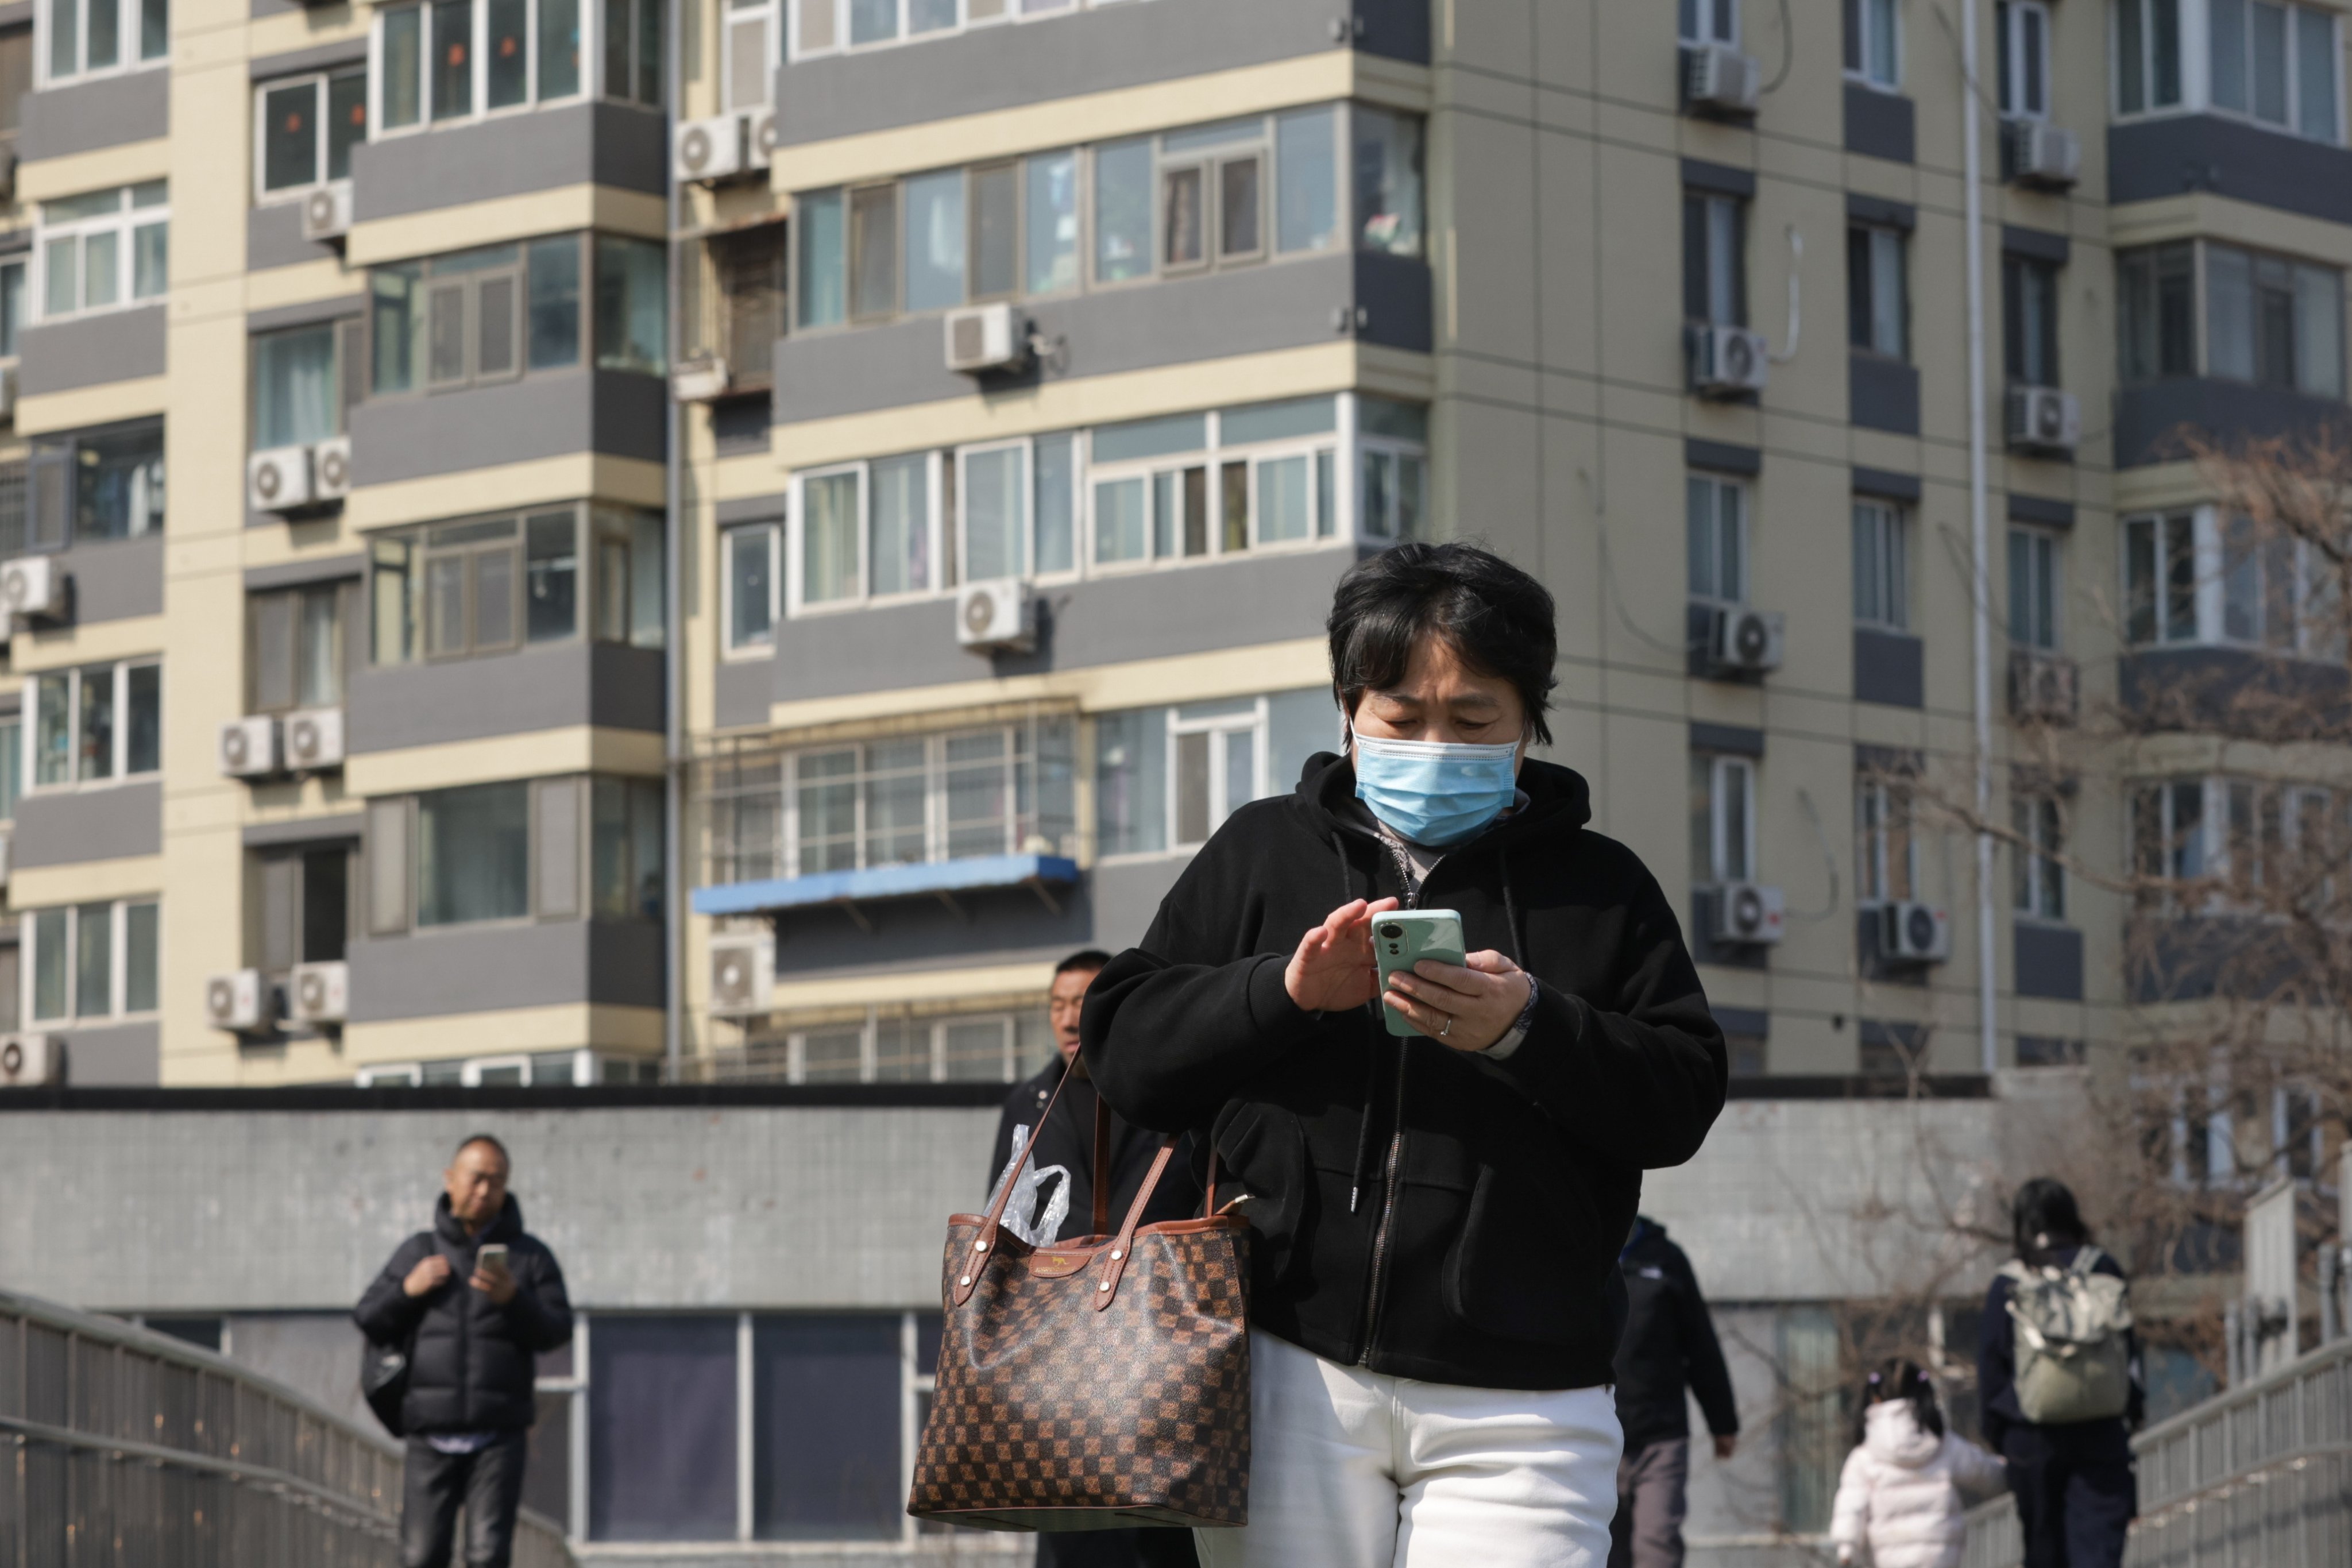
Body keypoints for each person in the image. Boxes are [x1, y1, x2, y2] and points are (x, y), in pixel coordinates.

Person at [1082, 542, 1728, 1568]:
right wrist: (1287, 993)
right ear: (1348, 708)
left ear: (1530, 721)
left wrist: (1529, 1027)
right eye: (1400, 716)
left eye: (1474, 720)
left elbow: (1682, 1098)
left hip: (1525, 1398)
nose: (1436, 743)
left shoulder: (1603, 889)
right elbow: (1126, 1052)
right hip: (1283, 1363)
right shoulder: (1262, 851)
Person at [988, 949, 1203, 1568]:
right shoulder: (1029, 1102)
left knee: (1159, 1509)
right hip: (1058, 1342)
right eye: (1054, 1005)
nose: (1064, 1019)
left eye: (1078, 1004)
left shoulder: (1172, 1097)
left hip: (1154, 1336)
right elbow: (1002, 1218)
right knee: (1069, 1509)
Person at [356, 1134, 574, 1568]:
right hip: (429, 1434)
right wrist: (407, 1290)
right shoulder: (419, 1252)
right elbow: (369, 1318)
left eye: (496, 1182)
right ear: (450, 1180)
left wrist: (515, 1299)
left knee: (487, 1555)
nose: (484, 1191)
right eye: (475, 1179)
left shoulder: (529, 1258)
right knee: (420, 1557)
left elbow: (557, 1330)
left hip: (498, 1437)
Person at [1976, 1179, 2140, 1568]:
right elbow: (2128, 1351)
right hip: (2101, 1432)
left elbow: (1991, 1367)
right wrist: (2132, 1412)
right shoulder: (2102, 1268)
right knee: (2097, 1550)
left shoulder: (2008, 1284)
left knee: (2043, 1551)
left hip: (2031, 1439)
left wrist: (1998, 1435)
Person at [1609, 1216, 1740, 1568]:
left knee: (1657, 1545)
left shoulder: (1666, 1259)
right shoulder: (1583, 1251)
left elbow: (1700, 1345)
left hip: (1660, 1436)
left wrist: (1722, 1423)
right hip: (1601, 1434)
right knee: (1606, 1550)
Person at [1828, 1359, 2005, 1568]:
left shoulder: (1864, 1456)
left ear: (1875, 1397)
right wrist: (2019, 1473)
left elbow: (1851, 1506)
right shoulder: (1942, 1443)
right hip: (1940, 1555)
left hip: (1887, 1556)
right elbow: (1986, 1473)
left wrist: (1847, 1549)